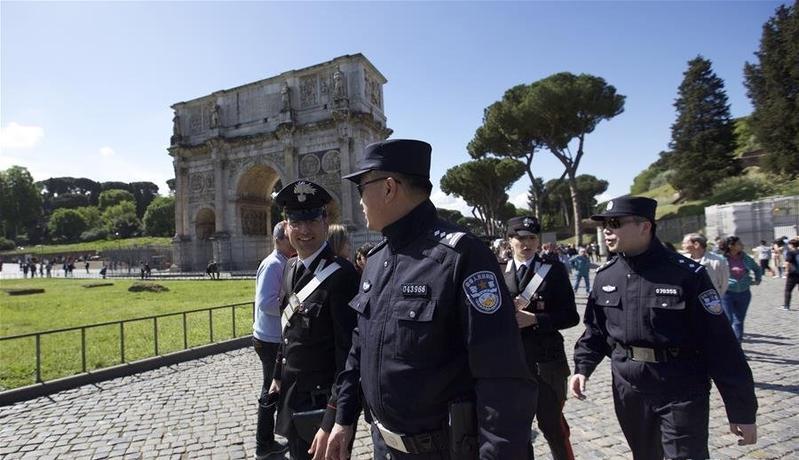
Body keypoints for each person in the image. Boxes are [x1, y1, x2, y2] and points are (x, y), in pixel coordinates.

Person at [326, 139, 536, 459]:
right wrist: (342, 418)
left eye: (361, 186)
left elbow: (501, 375)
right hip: (384, 447)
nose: (358, 201)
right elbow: (360, 347)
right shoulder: (375, 259)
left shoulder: (460, 256)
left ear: (388, 188)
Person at [570, 196, 758, 460]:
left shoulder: (687, 275)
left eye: (614, 223)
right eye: (604, 225)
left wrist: (741, 409)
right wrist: (582, 368)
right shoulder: (605, 276)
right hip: (629, 387)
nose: (607, 231)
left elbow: (721, 344)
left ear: (644, 226)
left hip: (679, 385)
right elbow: (596, 332)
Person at [270, 180, 360, 460]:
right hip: (293, 399)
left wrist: (333, 420)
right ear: (286, 225)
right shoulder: (290, 268)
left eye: (311, 220)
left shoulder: (343, 276)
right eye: (296, 222)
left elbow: (350, 357)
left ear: (325, 221)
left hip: (322, 407)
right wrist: (276, 375)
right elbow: (289, 330)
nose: (304, 231)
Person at [504, 215, 579, 460]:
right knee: (517, 430)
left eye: (532, 238)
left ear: (538, 241)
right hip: (512, 364)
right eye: (520, 238)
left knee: (553, 426)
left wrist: (536, 320)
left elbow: (571, 316)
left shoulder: (553, 270)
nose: (526, 244)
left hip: (547, 363)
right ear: (510, 240)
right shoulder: (496, 270)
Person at [252, 221, 294, 459]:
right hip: (270, 339)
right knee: (271, 390)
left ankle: (267, 441)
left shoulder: (280, 262)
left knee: (273, 388)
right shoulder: (273, 265)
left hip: (270, 336)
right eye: (290, 237)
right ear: (279, 239)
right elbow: (267, 303)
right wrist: (293, 308)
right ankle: (264, 444)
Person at [721, 236, 762, 343]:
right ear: (731, 246)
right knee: (728, 319)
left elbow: (757, 268)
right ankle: (725, 344)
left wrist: (758, 279)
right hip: (727, 293)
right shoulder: (721, 259)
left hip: (744, 293)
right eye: (739, 243)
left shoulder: (746, 258)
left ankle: (737, 347)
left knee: (739, 320)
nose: (742, 245)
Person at [780, 237, 799, 311]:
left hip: (793, 274)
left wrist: (786, 272)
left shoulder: (790, 252)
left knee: (788, 290)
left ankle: (786, 306)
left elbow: (787, 263)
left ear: (791, 245)